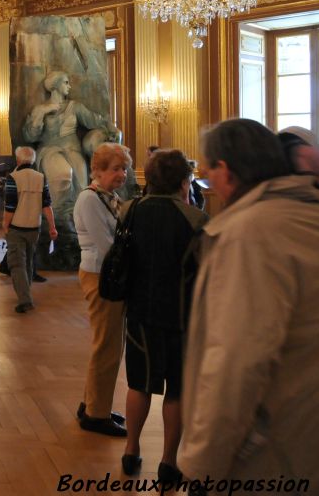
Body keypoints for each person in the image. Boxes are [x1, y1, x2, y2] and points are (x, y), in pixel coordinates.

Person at [179, 119, 319, 489]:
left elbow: (237, 359)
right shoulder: (308, 213)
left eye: (207, 176)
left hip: (266, 451)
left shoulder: (250, 232)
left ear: (225, 171)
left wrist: (201, 464)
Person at [119, 150, 208, 482]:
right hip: (181, 316)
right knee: (176, 390)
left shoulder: (130, 210)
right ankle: (169, 461)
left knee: (138, 384)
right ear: (184, 182)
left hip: (139, 312)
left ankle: (131, 450)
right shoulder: (196, 221)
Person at [72, 142, 131, 437]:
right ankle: (96, 415)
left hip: (105, 274)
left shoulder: (109, 197)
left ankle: (93, 404)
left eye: (124, 168)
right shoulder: (90, 199)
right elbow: (108, 245)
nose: (122, 174)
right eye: (116, 169)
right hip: (100, 276)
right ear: (98, 170)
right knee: (107, 347)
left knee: (107, 344)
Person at [22, 70, 116, 214]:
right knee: (63, 176)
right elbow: (30, 137)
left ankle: (76, 223)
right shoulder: (40, 109)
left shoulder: (75, 106)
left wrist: (111, 128)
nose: (69, 86)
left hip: (73, 150)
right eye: (66, 82)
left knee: (81, 186)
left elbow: (95, 120)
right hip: (50, 150)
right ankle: (57, 217)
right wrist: (42, 112)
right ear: (55, 85)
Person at [2, 146, 58, 314]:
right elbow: (47, 205)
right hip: (35, 227)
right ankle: (25, 293)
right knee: (28, 262)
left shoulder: (13, 177)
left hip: (16, 228)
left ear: (18, 160)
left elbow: (10, 206)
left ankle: (25, 299)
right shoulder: (41, 177)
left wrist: (5, 224)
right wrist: (53, 227)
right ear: (32, 160)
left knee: (17, 263)